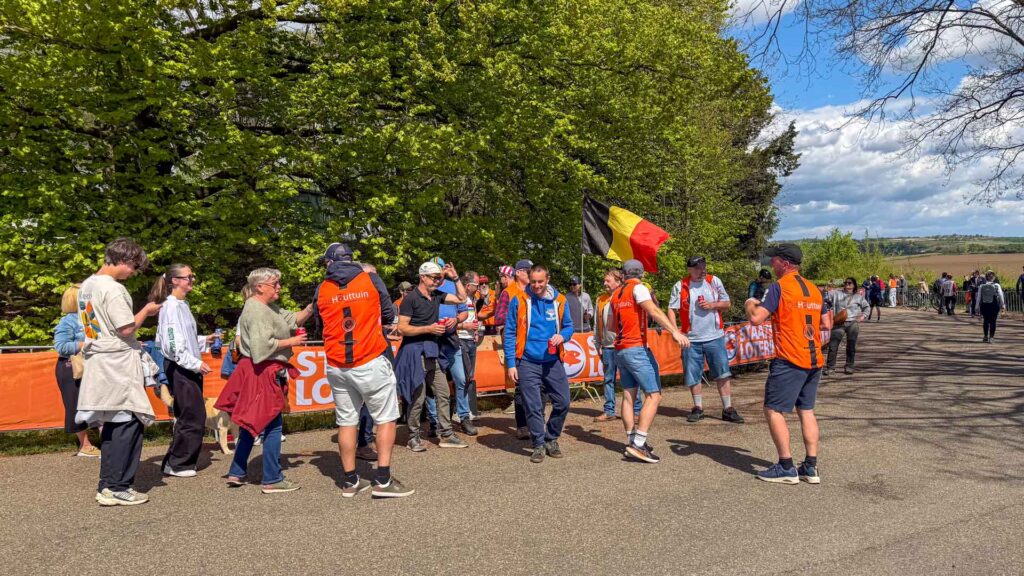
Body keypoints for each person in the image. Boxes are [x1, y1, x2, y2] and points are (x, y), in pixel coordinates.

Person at [317, 246, 414, 497]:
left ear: (329, 263)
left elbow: (321, 323)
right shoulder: (370, 278)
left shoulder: (322, 288)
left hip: (337, 363)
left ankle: (350, 481)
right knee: (385, 418)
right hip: (370, 357)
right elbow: (388, 313)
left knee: (346, 421)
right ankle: (382, 480)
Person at [76, 238, 162, 506]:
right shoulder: (112, 289)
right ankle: (120, 486)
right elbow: (125, 328)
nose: (133, 273)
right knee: (129, 423)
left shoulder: (86, 285)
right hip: (117, 362)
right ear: (125, 260)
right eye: (134, 267)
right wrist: (147, 311)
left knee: (112, 425)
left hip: (99, 360)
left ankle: (108, 486)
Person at [218, 268, 313, 494]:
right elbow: (261, 349)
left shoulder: (264, 307)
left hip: (256, 371)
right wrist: (291, 341)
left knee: (252, 424)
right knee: (272, 425)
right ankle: (272, 478)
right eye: (274, 283)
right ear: (259, 286)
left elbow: (292, 317)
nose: (279, 286)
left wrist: (313, 306)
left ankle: (237, 471)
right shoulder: (258, 311)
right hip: (262, 371)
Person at [744, 243, 826, 485]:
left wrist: (750, 301)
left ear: (786, 263)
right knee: (806, 410)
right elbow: (827, 323)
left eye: (775, 260)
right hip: (814, 358)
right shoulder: (814, 289)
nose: (771, 264)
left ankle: (786, 466)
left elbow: (757, 318)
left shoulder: (779, 287)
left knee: (773, 409)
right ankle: (810, 466)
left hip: (790, 359)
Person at [612, 259, 690, 463]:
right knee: (654, 395)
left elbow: (611, 325)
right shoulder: (639, 289)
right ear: (642, 274)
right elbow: (653, 311)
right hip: (635, 347)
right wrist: (674, 331)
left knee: (629, 396)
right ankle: (638, 444)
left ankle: (631, 440)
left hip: (619, 348)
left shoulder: (616, 294)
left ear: (623, 274)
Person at [395, 260, 470, 451]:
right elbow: (402, 327)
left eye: (440, 278)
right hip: (414, 352)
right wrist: (428, 328)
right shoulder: (410, 299)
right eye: (435, 278)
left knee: (443, 393)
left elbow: (462, 298)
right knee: (418, 397)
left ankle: (446, 434)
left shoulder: (437, 294)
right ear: (423, 277)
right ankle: (413, 436)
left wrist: (455, 277)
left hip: (432, 351)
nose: (438, 281)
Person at [503, 264, 575, 463]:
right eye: (533, 281)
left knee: (563, 402)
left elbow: (569, 326)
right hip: (526, 362)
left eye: (540, 282)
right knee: (533, 406)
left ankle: (551, 438)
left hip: (553, 362)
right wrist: (511, 363)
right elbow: (509, 332)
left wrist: (562, 336)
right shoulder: (519, 300)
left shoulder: (560, 300)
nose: (536, 285)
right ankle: (538, 444)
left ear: (548, 279)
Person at [151, 263, 215, 478]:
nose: (192, 280)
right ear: (174, 281)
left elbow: (183, 338)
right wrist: (194, 363)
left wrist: (204, 340)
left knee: (190, 413)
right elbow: (171, 343)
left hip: (186, 366)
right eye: (188, 277)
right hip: (180, 367)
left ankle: (177, 460)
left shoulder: (182, 305)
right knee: (192, 415)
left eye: (192, 276)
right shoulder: (170, 307)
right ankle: (178, 462)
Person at [667, 256, 744, 424]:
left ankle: (728, 408)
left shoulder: (714, 281)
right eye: (698, 268)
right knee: (693, 374)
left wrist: (712, 305)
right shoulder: (680, 286)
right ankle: (698, 407)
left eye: (704, 267)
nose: (702, 271)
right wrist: (675, 331)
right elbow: (671, 309)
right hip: (691, 339)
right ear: (689, 269)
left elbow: (727, 303)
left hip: (714, 336)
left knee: (722, 373)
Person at [428, 257, 476, 437]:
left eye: (440, 271)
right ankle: (434, 421)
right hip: (432, 341)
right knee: (433, 384)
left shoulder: (451, 285)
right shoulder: (426, 287)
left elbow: (464, 310)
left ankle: (464, 417)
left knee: (461, 379)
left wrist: (456, 320)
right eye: (434, 271)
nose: (437, 275)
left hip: (451, 340)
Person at [53, 283, 99, 458]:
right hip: (71, 368)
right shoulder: (67, 321)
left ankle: (108, 442)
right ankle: (84, 445)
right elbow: (60, 346)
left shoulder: (91, 318)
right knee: (74, 406)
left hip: (91, 367)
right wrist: (84, 344)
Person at [825, 277, 870, 375]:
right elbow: (824, 298)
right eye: (845, 283)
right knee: (833, 346)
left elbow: (867, 307)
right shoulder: (836, 293)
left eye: (849, 283)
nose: (847, 285)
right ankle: (830, 368)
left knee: (851, 346)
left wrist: (863, 316)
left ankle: (849, 366)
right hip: (839, 323)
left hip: (852, 323)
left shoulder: (858, 297)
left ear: (854, 285)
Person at [594, 270, 622, 422]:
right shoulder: (601, 299)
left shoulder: (626, 297)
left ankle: (636, 411)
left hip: (624, 345)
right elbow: (597, 326)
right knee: (608, 379)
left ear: (618, 282)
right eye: (604, 281)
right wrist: (597, 343)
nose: (605, 283)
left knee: (629, 380)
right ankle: (609, 410)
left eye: (608, 281)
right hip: (607, 346)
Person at [457, 271, 484, 422]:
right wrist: (464, 326)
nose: (479, 287)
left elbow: (474, 316)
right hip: (461, 340)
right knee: (463, 378)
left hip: (471, 340)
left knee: (469, 377)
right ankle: (461, 411)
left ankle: (465, 409)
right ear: (468, 286)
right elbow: (451, 321)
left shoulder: (473, 298)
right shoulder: (458, 298)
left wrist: (474, 331)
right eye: (477, 285)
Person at [977, 271, 1006, 343]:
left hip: (984, 305)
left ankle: (985, 336)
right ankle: (991, 337)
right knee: (993, 321)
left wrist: (977, 307)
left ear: (986, 278)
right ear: (994, 277)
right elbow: (1001, 295)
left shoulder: (981, 286)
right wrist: (1003, 305)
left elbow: (978, 297)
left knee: (986, 321)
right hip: (994, 304)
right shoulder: (997, 285)